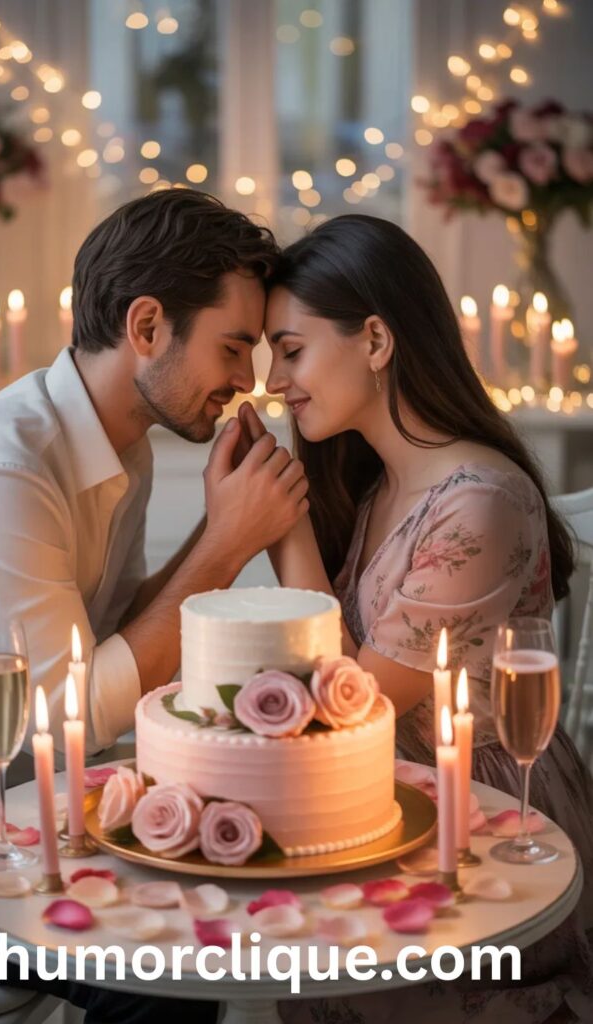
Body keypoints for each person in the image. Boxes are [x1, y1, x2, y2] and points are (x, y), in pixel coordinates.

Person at [0, 188, 308, 1021]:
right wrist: (227, 545)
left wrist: (217, 521)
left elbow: (119, 639)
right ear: (147, 326)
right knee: (157, 961)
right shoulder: (5, 479)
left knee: (211, 906)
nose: (247, 383)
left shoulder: (115, 444)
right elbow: (73, 712)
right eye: (234, 348)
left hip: (15, 800)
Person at [242, 213, 592, 1024]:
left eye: (290, 350)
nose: (273, 383)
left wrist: (281, 526)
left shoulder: (479, 500)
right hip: (384, 802)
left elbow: (356, 698)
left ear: (373, 338)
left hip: (481, 822)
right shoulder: (375, 490)